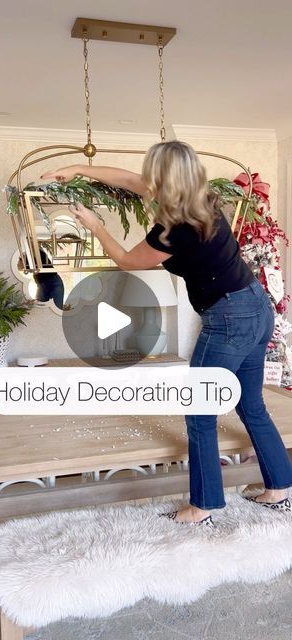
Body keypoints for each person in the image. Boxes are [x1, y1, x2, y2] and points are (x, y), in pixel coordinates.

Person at [41, 140, 292, 526]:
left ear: (163, 178)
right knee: (251, 404)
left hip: (228, 319)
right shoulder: (202, 197)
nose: (146, 181)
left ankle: (203, 505)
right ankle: (280, 489)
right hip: (256, 306)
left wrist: (95, 226)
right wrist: (80, 169)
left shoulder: (173, 231)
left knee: (199, 412)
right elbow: (129, 180)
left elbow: (126, 260)